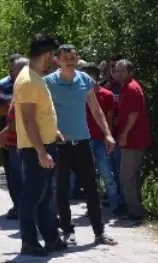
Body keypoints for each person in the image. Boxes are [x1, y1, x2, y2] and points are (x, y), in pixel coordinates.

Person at [44, 46, 117, 247]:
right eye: (65, 57)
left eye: (73, 57)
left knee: (91, 188)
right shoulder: (48, 83)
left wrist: (107, 134)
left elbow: (96, 109)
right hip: (60, 144)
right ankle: (67, 231)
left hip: (83, 142)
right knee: (62, 189)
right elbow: (42, 112)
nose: (70, 60)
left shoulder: (84, 79)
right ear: (57, 60)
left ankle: (99, 231)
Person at [14, 35, 62, 256]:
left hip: (45, 144)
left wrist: (54, 132)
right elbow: (28, 119)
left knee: (45, 197)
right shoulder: (28, 81)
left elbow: (41, 114)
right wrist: (42, 152)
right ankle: (29, 242)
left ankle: (51, 238)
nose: (53, 60)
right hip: (36, 149)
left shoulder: (34, 77)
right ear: (45, 55)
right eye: (53, 55)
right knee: (32, 197)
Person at [113, 59, 152, 221]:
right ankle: (135, 209)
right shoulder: (126, 88)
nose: (119, 73)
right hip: (132, 139)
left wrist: (124, 134)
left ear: (130, 72)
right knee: (131, 176)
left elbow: (134, 114)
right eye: (117, 70)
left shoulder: (131, 88)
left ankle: (134, 211)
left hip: (133, 140)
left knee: (127, 176)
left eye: (122, 70)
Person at [82, 63, 122, 214]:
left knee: (107, 174)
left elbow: (110, 118)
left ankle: (115, 204)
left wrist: (108, 136)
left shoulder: (106, 95)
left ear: (95, 77)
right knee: (88, 176)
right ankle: (92, 206)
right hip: (84, 140)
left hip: (100, 139)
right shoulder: (79, 94)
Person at [0, 55, 28, 218]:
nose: (21, 72)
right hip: (8, 133)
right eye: (17, 69)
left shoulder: (34, 83)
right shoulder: (3, 84)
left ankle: (28, 206)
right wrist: (15, 107)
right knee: (12, 172)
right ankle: (17, 205)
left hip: (29, 134)